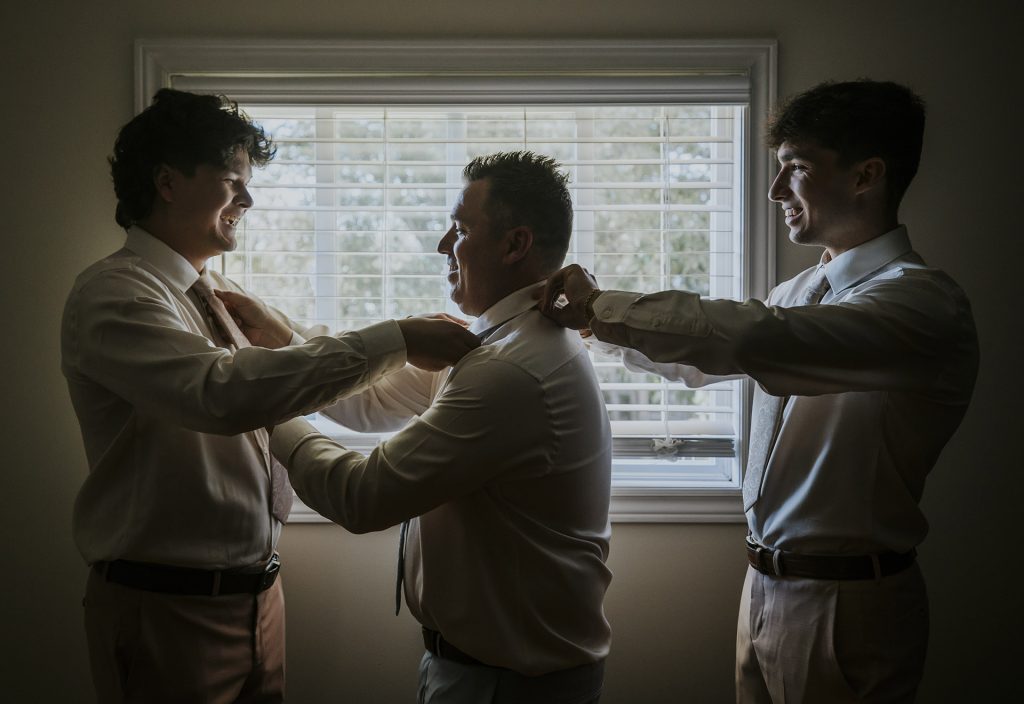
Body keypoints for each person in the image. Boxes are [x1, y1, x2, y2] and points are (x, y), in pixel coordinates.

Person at [539, 80, 979, 703]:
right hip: (763, 588)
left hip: (849, 607)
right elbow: (706, 361)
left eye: (796, 169)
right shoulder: (799, 291)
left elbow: (761, 342)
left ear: (866, 175)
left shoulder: (924, 304)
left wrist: (605, 305)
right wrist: (591, 321)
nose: (776, 191)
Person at [61, 88, 478, 704]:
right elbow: (222, 394)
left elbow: (338, 397)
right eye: (233, 180)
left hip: (258, 600)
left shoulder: (221, 296)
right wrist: (393, 338)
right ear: (168, 182)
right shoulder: (116, 297)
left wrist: (450, 360)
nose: (248, 199)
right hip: (167, 608)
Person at [236, 151, 612, 703]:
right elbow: (371, 399)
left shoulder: (512, 371)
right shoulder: (494, 344)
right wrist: (281, 338)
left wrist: (264, 412)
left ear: (515, 245)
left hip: (508, 686)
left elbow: (362, 496)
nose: (442, 245)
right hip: (486, 670)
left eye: (459, 228)